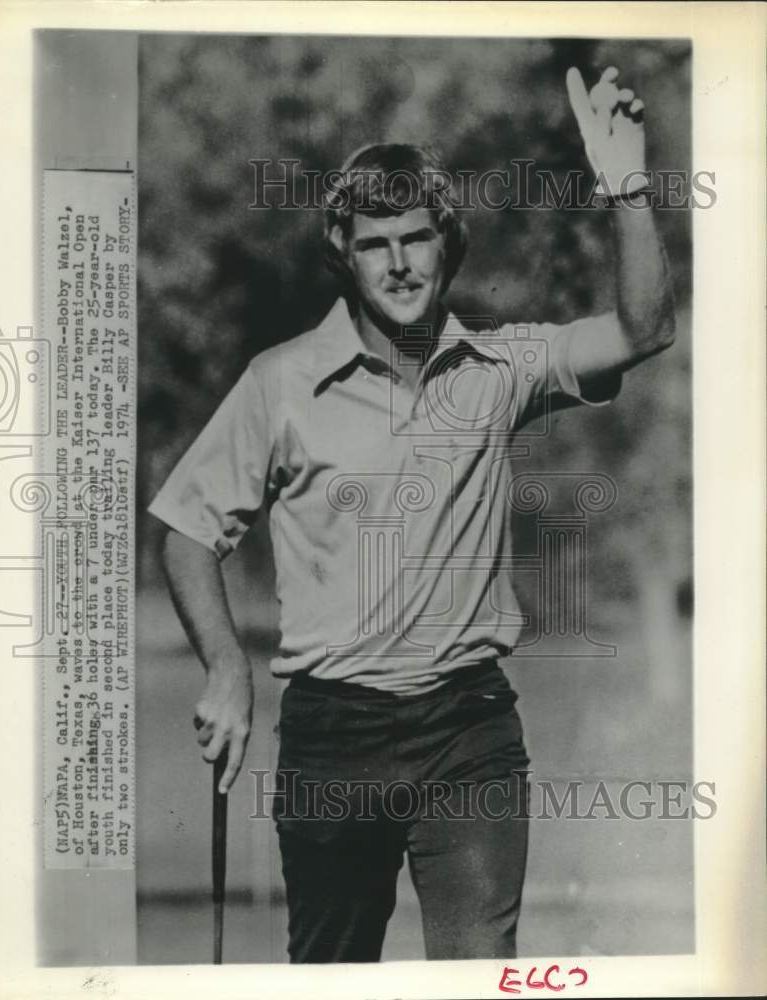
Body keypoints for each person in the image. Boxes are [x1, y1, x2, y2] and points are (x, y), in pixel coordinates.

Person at [148, 66, 674, 962]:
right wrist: (227, 670)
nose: (398, 263)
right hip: (331, 734)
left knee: (478, 971)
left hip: (467, 728)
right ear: (342, 254)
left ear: (447, 244)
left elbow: (642, 330)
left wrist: (627, 188)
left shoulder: (500, 368)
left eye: (417, 238)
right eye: (374, 243)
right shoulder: (280, 383)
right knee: (331, 974)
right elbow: (189, 532)